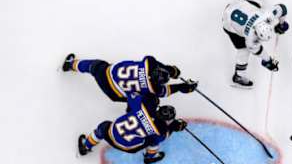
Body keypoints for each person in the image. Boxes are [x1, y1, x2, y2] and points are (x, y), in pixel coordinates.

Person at [78, 93, 187, 164]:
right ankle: (150, 157)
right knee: (153, 140)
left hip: (112, 133)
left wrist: (150, 98)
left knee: (103, 126)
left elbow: (131, 96)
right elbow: (163, 136)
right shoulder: (161, 130)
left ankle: (86, 146)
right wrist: (174, 128)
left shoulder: (142, 107)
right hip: (129, 147)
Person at [222, 0, 289, 88]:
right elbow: (258, 51)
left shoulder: (267, 16)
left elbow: (282, 8)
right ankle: (239, 76)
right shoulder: (250, 39)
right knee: (243, 49)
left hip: (237, 4)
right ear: (256, 34)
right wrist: (268, 61)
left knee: (255, 6)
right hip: (227, 21)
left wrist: (281, 24)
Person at [62, 53, 197, 101]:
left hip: (106, 74)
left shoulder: (149, 63)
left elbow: (155, 63)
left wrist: (171, 70)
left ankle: (70, 65)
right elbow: (165, 91)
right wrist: (182, 87)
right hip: (116, 94)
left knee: (94, 65)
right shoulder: (155, 88)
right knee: (143, 98)